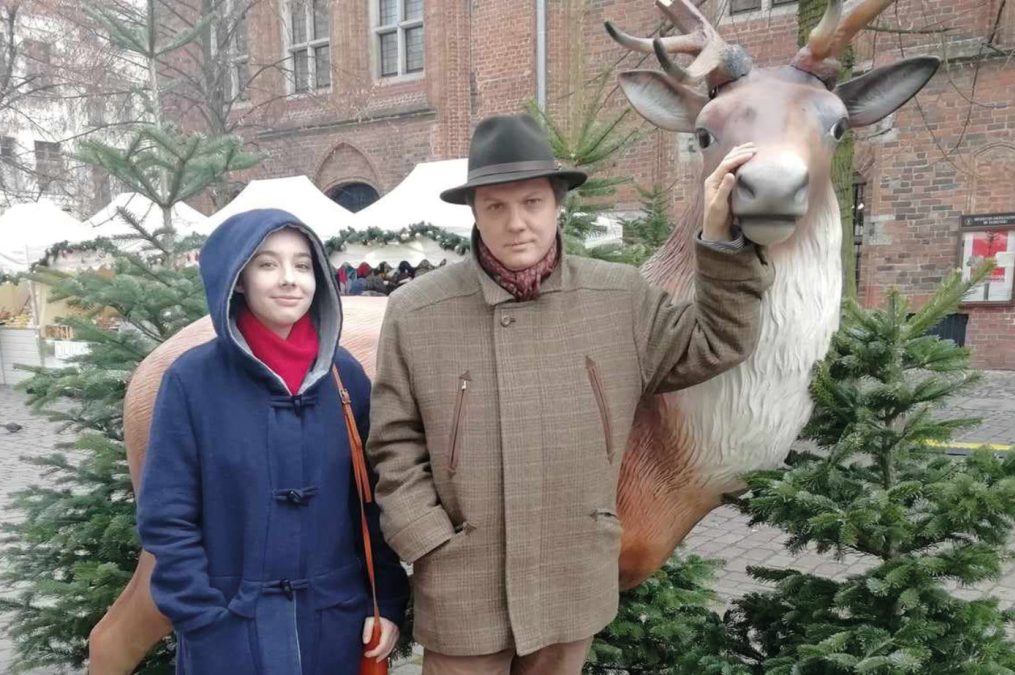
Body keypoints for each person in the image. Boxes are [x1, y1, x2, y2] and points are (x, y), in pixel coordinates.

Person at [366, 113, 774, 674]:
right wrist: (429, 540)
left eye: (532, 203)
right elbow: (393, 442)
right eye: (495, 207)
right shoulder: (418, 311)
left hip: (572, 574)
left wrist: (721, 243)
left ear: (558, 204)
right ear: (474, 212)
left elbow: (717, 340)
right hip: (464, 579)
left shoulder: (619, 297)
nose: (516, 223)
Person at [136, 209, 408, 675]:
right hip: (230, 633)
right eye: (267, 264)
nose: (289, 279)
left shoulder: (344, 376)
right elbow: (167, 517)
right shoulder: (192, 380)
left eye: (303, 265)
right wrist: (202, 620)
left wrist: (384, 601)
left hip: (334, 627)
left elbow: (370, 503)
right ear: (238, 278)